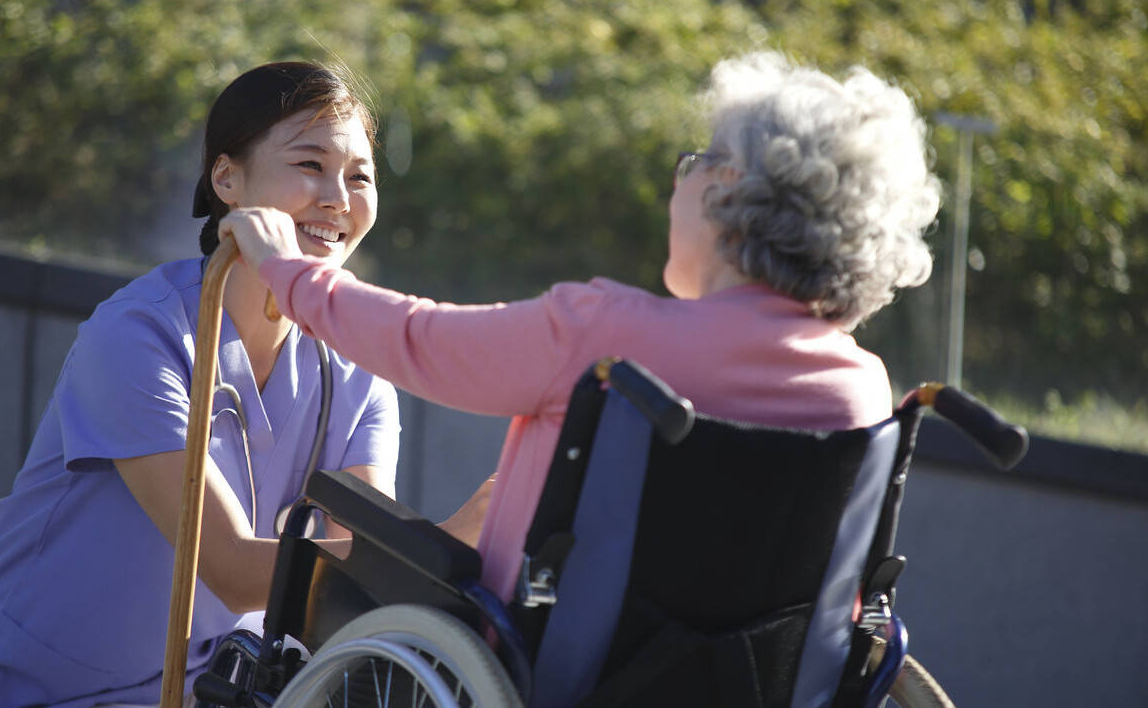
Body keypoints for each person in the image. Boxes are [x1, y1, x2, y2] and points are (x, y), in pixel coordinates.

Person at [220, 50, 941, 607]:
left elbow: (420, 341)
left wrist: (291, 272)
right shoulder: (860, 391)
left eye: (692, 164)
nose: (677, 184)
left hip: (558, 670)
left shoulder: (606, 335)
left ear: (724, 191)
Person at [0, 61, 488, 707]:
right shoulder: (138, 336)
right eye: (310, 165)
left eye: (360, 177)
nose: (338, 199)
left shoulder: (356, 371)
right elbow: (231, 568)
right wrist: (451, 543)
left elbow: (354, 562)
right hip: (20, 691)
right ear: (226, 179)